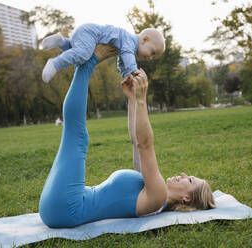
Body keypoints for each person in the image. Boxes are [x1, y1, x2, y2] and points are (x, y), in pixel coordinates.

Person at [39, 45, 215, 228]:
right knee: (75, 136)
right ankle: (85, 62)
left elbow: (145, 145)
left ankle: (87, 62)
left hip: (68, 208)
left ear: (187, 198)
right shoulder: (149, 190)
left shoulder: (158, 196)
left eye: (191, 180)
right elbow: (136, 141)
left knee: (78, 137)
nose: (184, 174)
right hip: (64, 206)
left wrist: (142, 99)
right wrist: (132, 99)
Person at [41, 23, 165, 83]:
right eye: (152, 52)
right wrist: (133, 71)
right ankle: (55, 64)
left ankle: (61, 42)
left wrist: (126, 74)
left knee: (75, 52)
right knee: (83, 54)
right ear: (144, 39)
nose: (150, 58)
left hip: (86, 33)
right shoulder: (130, 42)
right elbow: (127, 58)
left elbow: (122, 60)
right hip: (90, 34)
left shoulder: (127, 45)